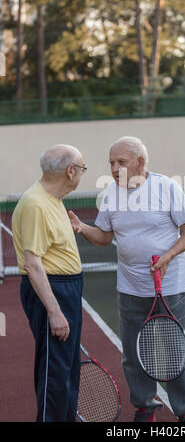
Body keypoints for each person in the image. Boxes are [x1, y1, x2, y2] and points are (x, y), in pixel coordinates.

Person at [68, 136, 185, 422]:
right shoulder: (110, 195)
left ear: (140, 162)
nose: (115, 168)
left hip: (172, 286)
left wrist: (168, 256)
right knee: (134, 353)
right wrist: (82, 228)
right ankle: (144, 406)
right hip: (130, 288)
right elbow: (104, 237)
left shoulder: (167, 187)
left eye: (121, 162)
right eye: (111, 163)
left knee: (180, 350)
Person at [12, 144, 87, 422]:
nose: (82, 173)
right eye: (82, 168)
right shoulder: (36, 204)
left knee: (67, 369)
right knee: (55, 371)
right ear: (70, 171)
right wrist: (55, 311)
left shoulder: (53, 199)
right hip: (52, 291)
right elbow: (33, 263)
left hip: (66, 288)